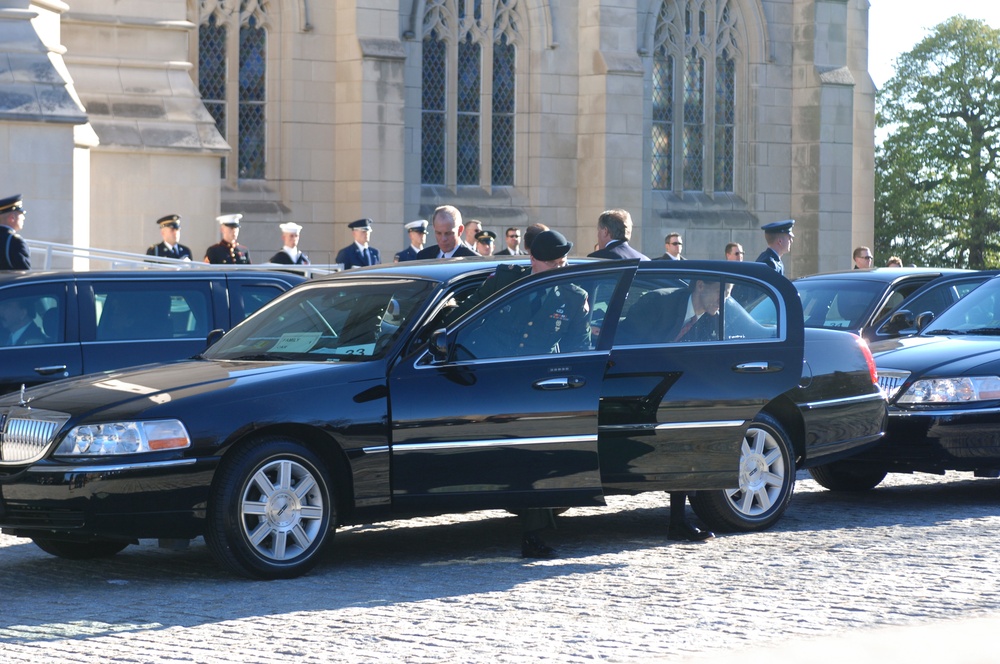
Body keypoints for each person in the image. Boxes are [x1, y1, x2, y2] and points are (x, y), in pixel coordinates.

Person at [450, 230, 586, 558]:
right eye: (552, 263)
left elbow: (579, 348)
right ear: (533, 260)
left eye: (562, 262)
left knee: (533, 447)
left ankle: (533, 535)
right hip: (489, 379)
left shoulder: (571, 296)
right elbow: (462, 316)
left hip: (533, 384)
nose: (558, 268)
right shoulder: (507, 281)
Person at [0, 194, 30, 271]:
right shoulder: (15, 242)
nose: (23, 218)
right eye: (21, 214)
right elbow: (23, 275)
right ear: (12, 218)